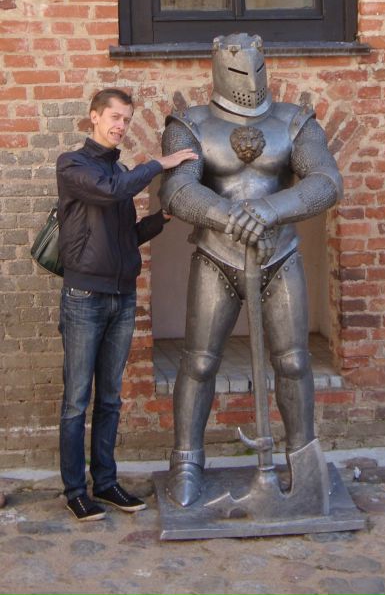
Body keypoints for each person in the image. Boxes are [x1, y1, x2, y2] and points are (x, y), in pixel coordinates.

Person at [159, 33, 343, 507]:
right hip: (217, 255)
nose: (250, 78)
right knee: (200, 361)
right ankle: (186, 461)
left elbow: (326, 181)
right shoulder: (191, 124)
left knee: (294, 361)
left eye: (256, 66)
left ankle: (302, 458)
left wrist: (269, 209)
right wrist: (229, 216)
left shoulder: (294, 121)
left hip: (279, 253)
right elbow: (177, 190)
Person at [56, 88, 197, 521]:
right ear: (94, 117)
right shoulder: (73, 165)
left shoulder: (117, 171)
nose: (121, 126)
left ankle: (106, 482)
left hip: (121, 297)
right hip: (84, 297)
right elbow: (111, 191)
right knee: (77, 400)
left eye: (126, 120)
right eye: (115, 117)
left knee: (111, 399)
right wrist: (159, 164)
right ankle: (75, 490)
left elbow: (126, 236)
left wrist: (161, 219)